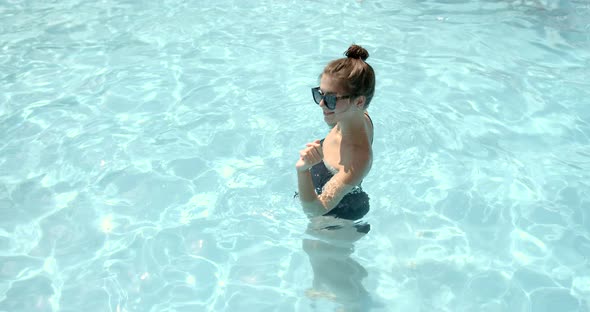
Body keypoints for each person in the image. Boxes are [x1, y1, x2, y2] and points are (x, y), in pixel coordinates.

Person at [295, 44, 376, 225]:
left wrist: (302, 170)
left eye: (331, 99)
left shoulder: (358, 158)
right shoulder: (355, 116)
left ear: (359, 101)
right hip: (324, 185)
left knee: (312, 249)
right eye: (319, 94)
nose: (322, 104)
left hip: (337, 218)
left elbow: (314, 211)